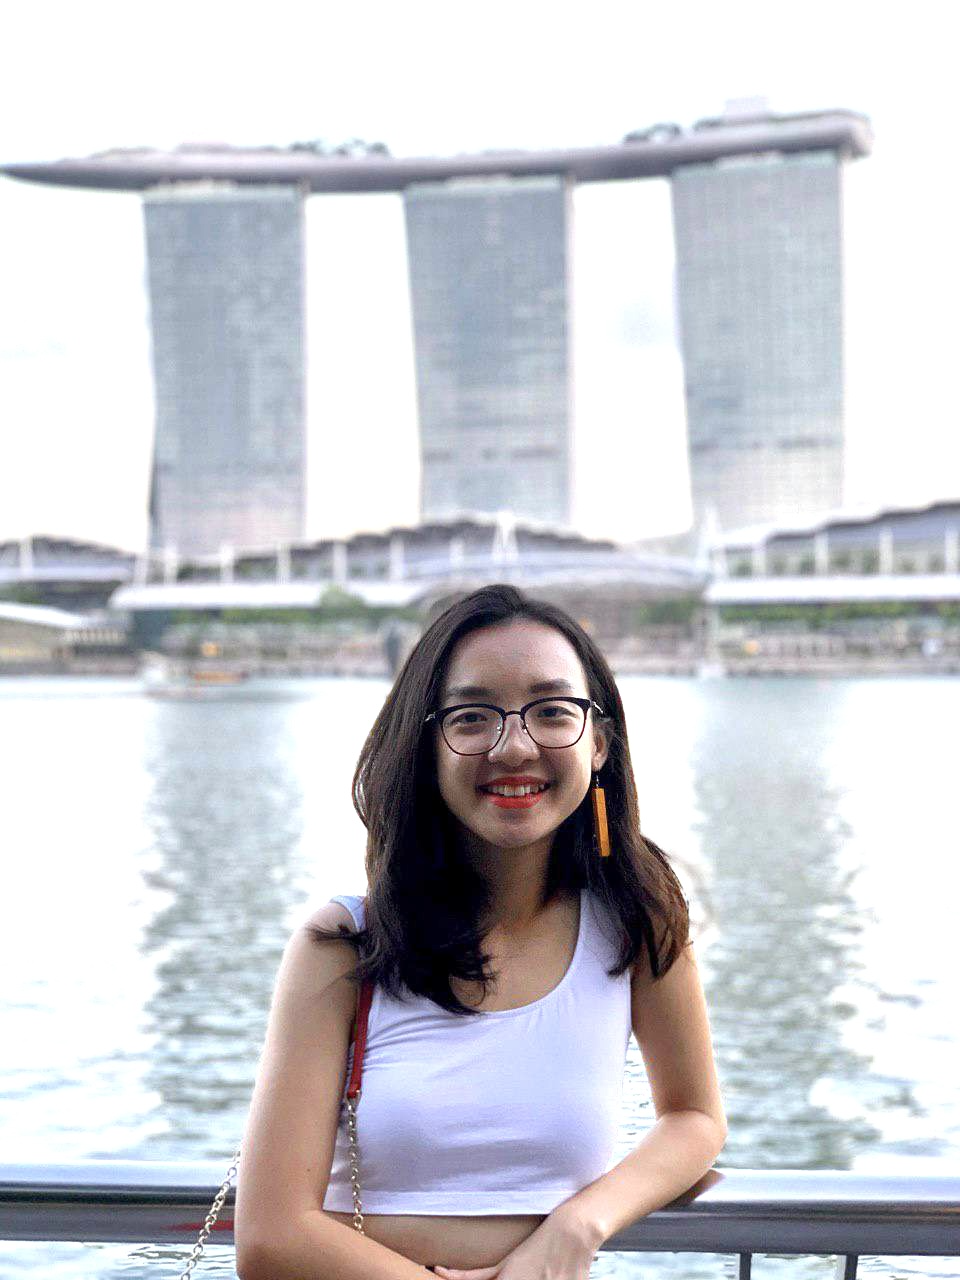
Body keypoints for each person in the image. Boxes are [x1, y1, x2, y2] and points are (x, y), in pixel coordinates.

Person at [235, 584, 726, 1280]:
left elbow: (695, 1118)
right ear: (426, 746)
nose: (514, 746)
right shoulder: (344, 943)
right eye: (472, 717)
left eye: (552, 711)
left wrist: (578, 1226)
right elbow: (271, 1236)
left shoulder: (635, 921)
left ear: (598, 743)